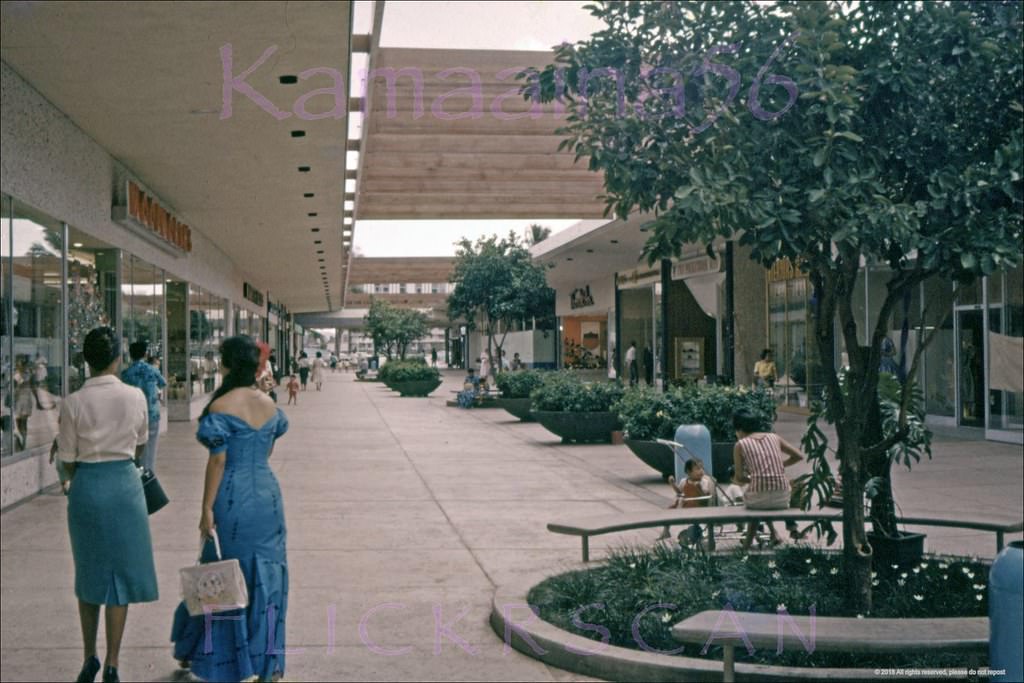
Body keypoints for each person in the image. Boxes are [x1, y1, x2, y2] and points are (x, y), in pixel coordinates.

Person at [171, 335, 290, 682]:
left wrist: (206, 508)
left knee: (223, 573)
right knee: (266, 574)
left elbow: (219, 461)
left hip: (233, 496)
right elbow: (266, 449)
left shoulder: (221, 407)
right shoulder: (269, 404)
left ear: (226, 365)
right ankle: (265, 661)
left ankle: (226, 662)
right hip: (267, 495)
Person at [56, 327, 157, 683]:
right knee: (121, 578)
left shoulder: (72, 402)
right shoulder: (136, 397)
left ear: (86, 360)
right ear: (117, 358)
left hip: (87, 488)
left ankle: (89, 657)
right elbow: (141, 446)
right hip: (125, 489)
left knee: (89, 574)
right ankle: (113, 662)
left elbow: (67, 458)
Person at [732, 408, 804, 549]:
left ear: (739, 429)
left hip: (758, 500)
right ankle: (768, 536)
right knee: (764, 496)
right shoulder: (774, 437)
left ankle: (747, 547)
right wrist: (781, 465)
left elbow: (739, 478)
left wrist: (753, 479)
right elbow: (799, 456)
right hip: (783, 498)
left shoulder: (740, 444)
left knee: (756, 497)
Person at [120, 340, 167, 473]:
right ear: (145, 354)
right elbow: (163, 383)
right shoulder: (152, 370)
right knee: (150, 447)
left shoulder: (125, 373)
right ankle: (148, 474)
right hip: (151, 413)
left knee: (134, 447)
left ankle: (136, 473)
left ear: (130, 355)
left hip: (133, 415)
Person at [660, 459, 713, 545]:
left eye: (702, 468)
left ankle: (695, 535)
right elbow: (679, 492)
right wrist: (673, 484)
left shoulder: (704, 482)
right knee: (668, 511)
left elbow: (706, 497)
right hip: (685, 504)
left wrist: (698, 488)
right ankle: (666, 531)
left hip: (697, 506)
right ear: (689, 472)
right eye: (698, 469)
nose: (701, 471)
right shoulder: (684, 481)